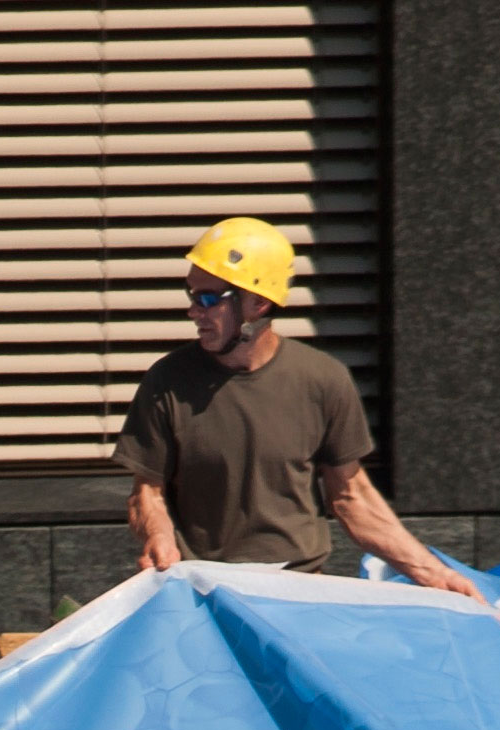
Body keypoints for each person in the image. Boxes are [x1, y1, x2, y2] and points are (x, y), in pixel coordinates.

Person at [116, 216, 479, 595]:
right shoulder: (167, 382)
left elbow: (352, 498)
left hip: (298, 591)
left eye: (208, 299)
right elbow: (147, 493)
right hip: (202, 593)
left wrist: (436, 575)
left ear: (257, 302)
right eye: (192, 296)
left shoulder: (322, 380)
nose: (194, 311)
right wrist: (159, 538)